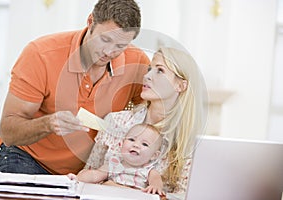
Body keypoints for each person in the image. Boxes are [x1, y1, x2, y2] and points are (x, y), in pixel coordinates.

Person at [0, 0, 150, 175]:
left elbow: (149, 116)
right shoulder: (40, 54)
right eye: (105, 39)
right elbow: (8, 133)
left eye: (120, 46)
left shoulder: (137, 63)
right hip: (29, 159)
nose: (109, 52)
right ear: (90, 22)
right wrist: (48, 123)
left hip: (88, 171)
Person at [82, 47, 207, 198]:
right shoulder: (116, 121)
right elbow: (86, 176)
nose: (147, 76)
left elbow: (184, 196)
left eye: (160, 71)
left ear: (180, 86)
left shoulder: (188, 143)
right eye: (149, 69)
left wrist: (124, 191)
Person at [69, 123, 165, 195]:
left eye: (145, 144)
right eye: (131, 139)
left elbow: (156, 182)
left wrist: (155, 187)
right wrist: (78, 178)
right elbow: (96, 175)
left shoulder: (149, 171)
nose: (136, 145)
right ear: (121, 144)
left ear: (154, 155)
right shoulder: (113, 164)